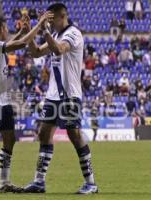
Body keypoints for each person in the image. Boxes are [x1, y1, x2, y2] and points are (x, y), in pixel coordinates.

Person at [0, 13, 53, 194]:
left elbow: (11, 45)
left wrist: (22, 31)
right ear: (1, 29)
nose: (7, 30)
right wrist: (38, 25)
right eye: (6, 27)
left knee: (10, 139)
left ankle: (4, 182)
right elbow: (21, 44)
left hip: (3, 101)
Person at [23, 3, 98, 194]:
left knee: (74, 135)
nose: (48, 23)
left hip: (70, 95)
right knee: (44, 133)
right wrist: (29, 32)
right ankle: (39, 182)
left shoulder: (73, 33)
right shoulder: (55, 34)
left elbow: (59, 50)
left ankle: (91, 183)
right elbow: (36, 52)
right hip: (53, 95)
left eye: (50, 19)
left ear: (60, 17)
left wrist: (45, 30)